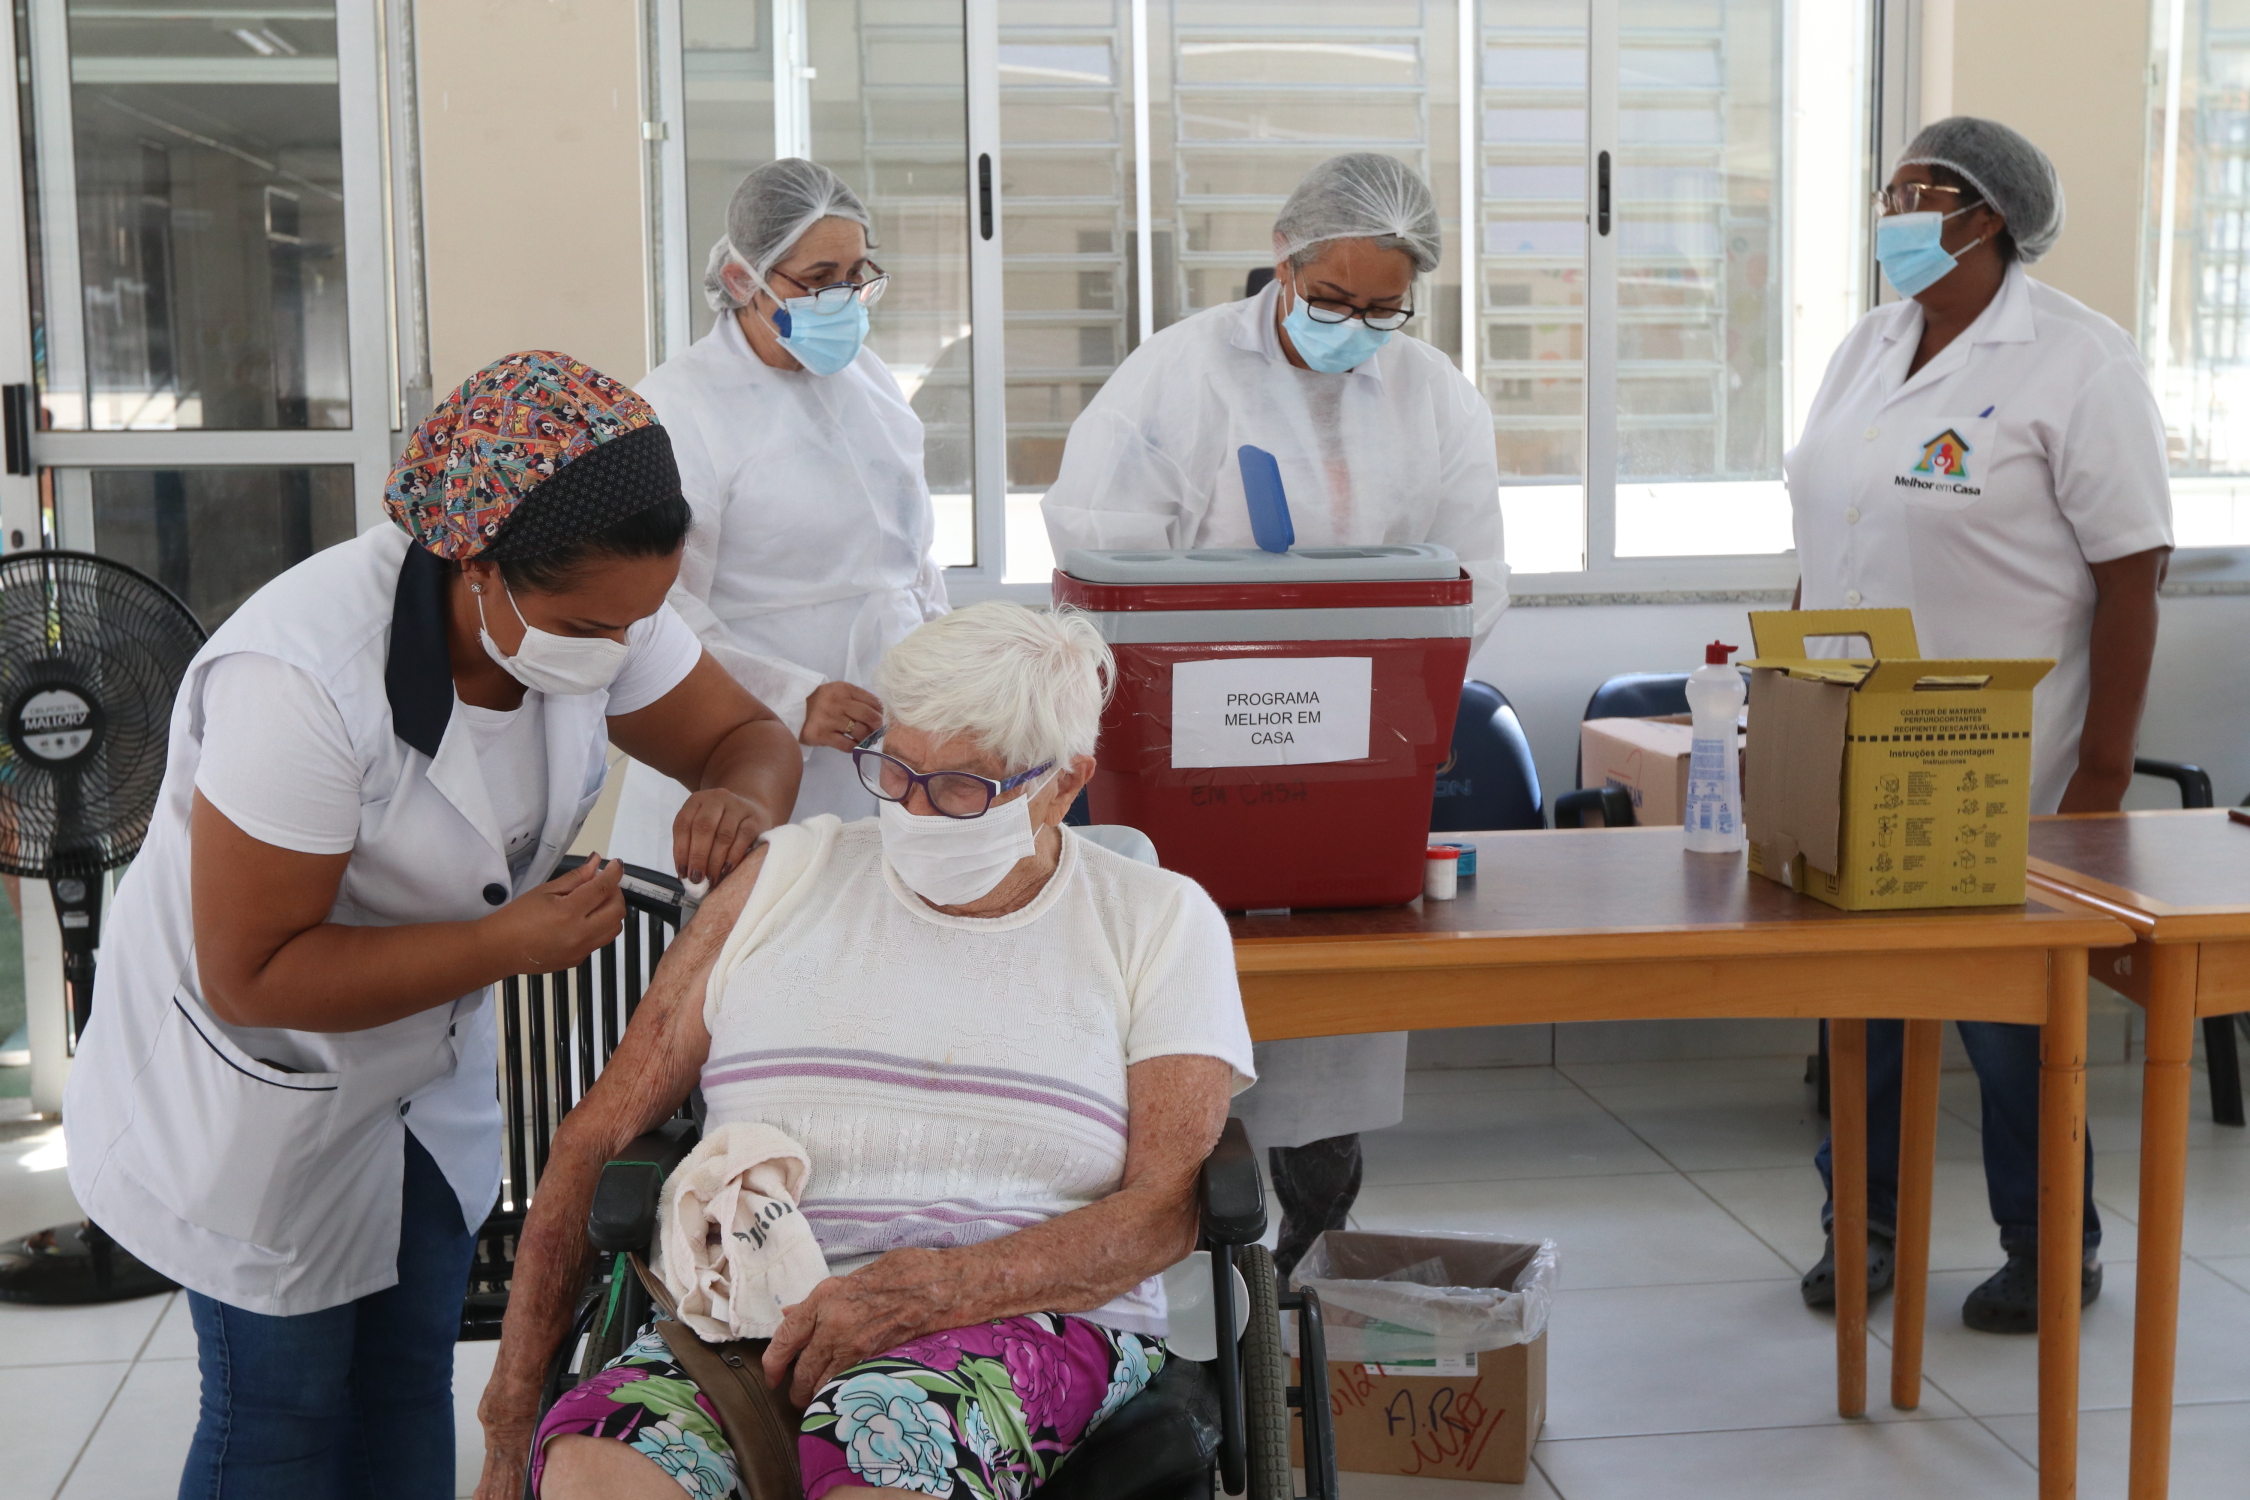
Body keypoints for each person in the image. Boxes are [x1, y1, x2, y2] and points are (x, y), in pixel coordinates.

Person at [63, 351, 805, 1497]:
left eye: (638, 621)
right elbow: (254, 973)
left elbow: (745, 738)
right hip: (261, 1079)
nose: (615, 653)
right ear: (475, 564)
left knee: (411, 1379)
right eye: (587, 624)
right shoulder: (303, 677)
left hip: (420, 1080)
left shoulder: (597, 610)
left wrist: (738, 799)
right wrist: (508, 948)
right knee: (286, 1410)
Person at [471, 602, 1256, 1500]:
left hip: (1031, 1314)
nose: (915, 810)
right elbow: (596, 1134)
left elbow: (1163, 1212)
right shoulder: (786, 877)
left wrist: (933, 1290)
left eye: (961, 788)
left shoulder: (1154, 918)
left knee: (880, 1443)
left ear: (1063, 785)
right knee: (595, 1465)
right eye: (896, 770)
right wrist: (508, 1421)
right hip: (750, 1313)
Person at [1040, 150, 1507, 1274]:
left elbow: (1474, 579)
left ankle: (1311, 1274)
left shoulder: (1432, 390)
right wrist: (1244, 646)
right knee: (1185, 1027)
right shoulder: (1179, 377)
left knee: (1338, 1030)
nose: (1355, 323)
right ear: (1284, 263)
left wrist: (1366, 666)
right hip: (1191, 758)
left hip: (1357, 755)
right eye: (1333, 298)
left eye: (1382, 306)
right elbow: (1098, 561)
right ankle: (1182, 1279)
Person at [1788, 118, 2173, 1332]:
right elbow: (1830, 531)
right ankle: (1863, 1229)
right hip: (1849, 744)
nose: (1893, 210)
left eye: (1923, 191)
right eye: (1888, 186)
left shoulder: (2078, 360)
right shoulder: (1868, 342)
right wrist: (1786, 707)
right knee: (1862, 1012)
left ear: (1988, 215)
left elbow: (2133, 574)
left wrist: (2100, 779)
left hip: (2007, 761)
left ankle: (2054, 1247)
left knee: (2014, 1030)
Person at [612, 158, 949, 869]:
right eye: (821, 278)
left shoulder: (870, 382)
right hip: (742, 756)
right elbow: (653, 609)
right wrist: (792, 699)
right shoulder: (678, 408)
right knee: (745, 954)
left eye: (860, 274)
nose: (847, 297)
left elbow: (909, 561)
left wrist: (946, 674)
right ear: (743, 281)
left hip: (888, 745)